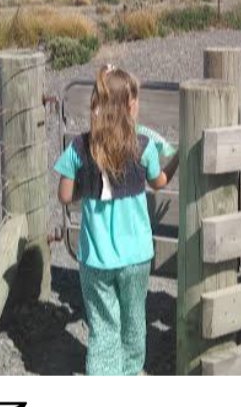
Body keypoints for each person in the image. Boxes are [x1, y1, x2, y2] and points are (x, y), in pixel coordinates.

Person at [54, 65, 179, 375]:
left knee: (102, 325)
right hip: (136, 257)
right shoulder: (143, 146)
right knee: (134, 320)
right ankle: (129, 373)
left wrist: (87, 187)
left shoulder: (79, 147)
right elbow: (159, 182)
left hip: (95, 259)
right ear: (130, 106)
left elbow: (65, 195)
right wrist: (177, 157)